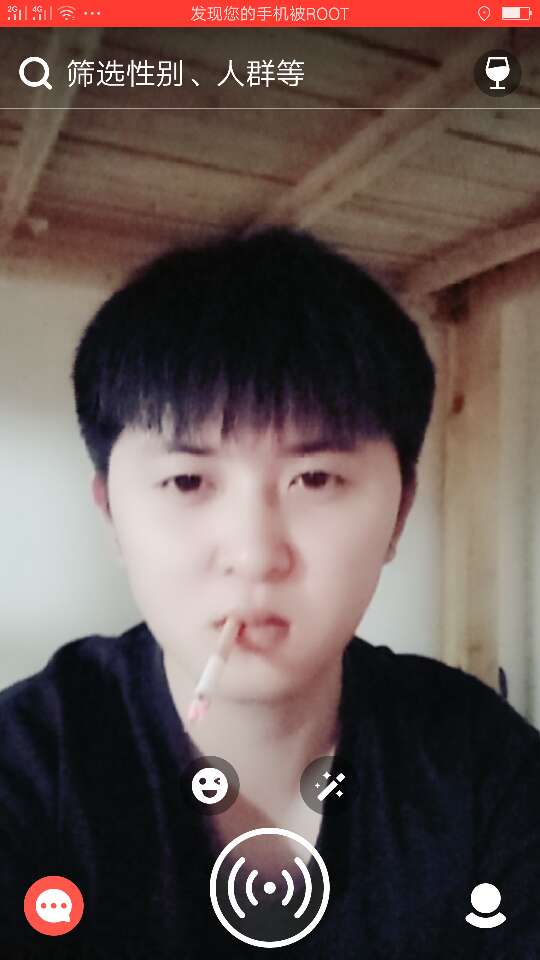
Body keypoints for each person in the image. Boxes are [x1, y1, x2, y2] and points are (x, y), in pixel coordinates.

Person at [1, 227, 539, 959]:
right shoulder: (28, 770)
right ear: (113, 517)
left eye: (315, 479)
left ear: (399, 514)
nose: (254, 554)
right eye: (186, 481)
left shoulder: (480, 763)